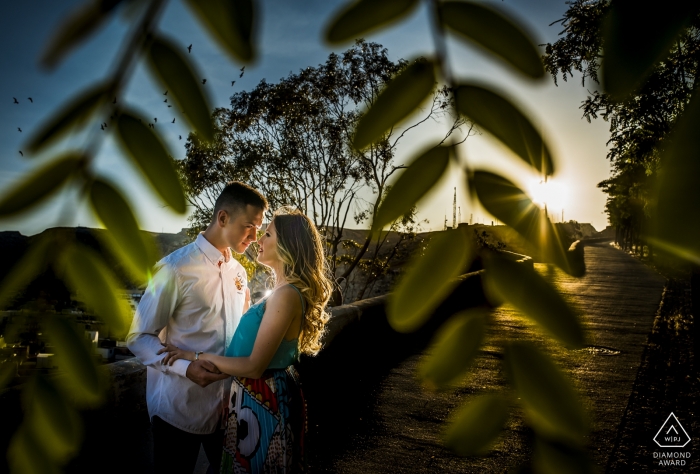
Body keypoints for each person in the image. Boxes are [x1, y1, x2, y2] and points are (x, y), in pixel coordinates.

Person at [158, 207, 332, 474]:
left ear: (287, 244)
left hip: (265, 396)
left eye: (268, 235)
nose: (258, 241)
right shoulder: (280, 293)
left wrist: (193, 356)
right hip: (254, 394)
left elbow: (254, 365)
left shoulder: (285, 295)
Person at [126, 182, 267, 474]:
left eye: (259, 229)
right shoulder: (174, 268)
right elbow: (139, 336)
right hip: (177, 410)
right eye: (249, 227)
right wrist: (184, 368)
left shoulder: (239, 273)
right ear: (223, 218)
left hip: (226, 412)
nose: (255, 237)